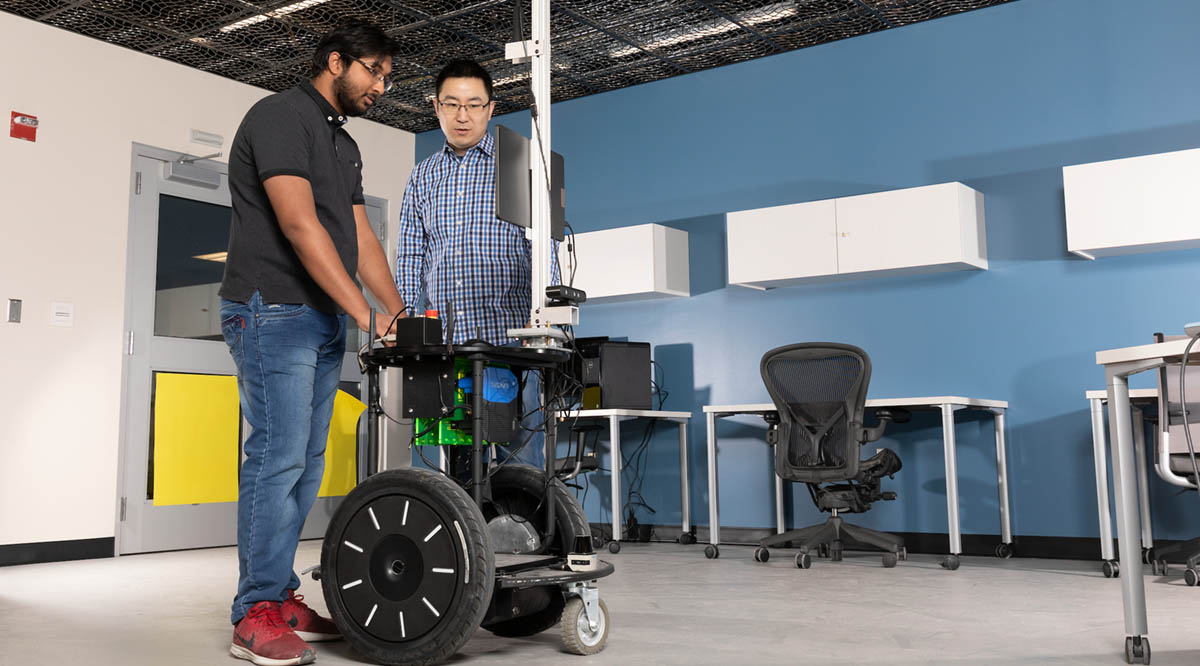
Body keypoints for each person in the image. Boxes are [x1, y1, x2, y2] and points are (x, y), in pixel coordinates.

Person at [218, 19, 406, 666]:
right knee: (276, 460)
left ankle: (281, 592)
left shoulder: (343, 146)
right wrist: (364, 315)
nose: (382, 85)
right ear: (336, 61)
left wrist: (395, 311)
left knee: (306, 466)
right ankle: (254, 612)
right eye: (374, 71)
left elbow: (361, 239)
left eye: (386, 75)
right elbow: (300, 227)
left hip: (319, 319)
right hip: (270, 310)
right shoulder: (278, 117)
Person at [395, 58, 560, 347]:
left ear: (490, 109)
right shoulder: (422, 175)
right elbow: (410, 258)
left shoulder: (520, 164)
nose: (462, 116)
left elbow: (545, 248)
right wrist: (403, 322)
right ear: (436, 107)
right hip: (442, 343)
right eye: (451, 104)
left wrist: (544, 317)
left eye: (473, 105)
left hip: (510, 339)